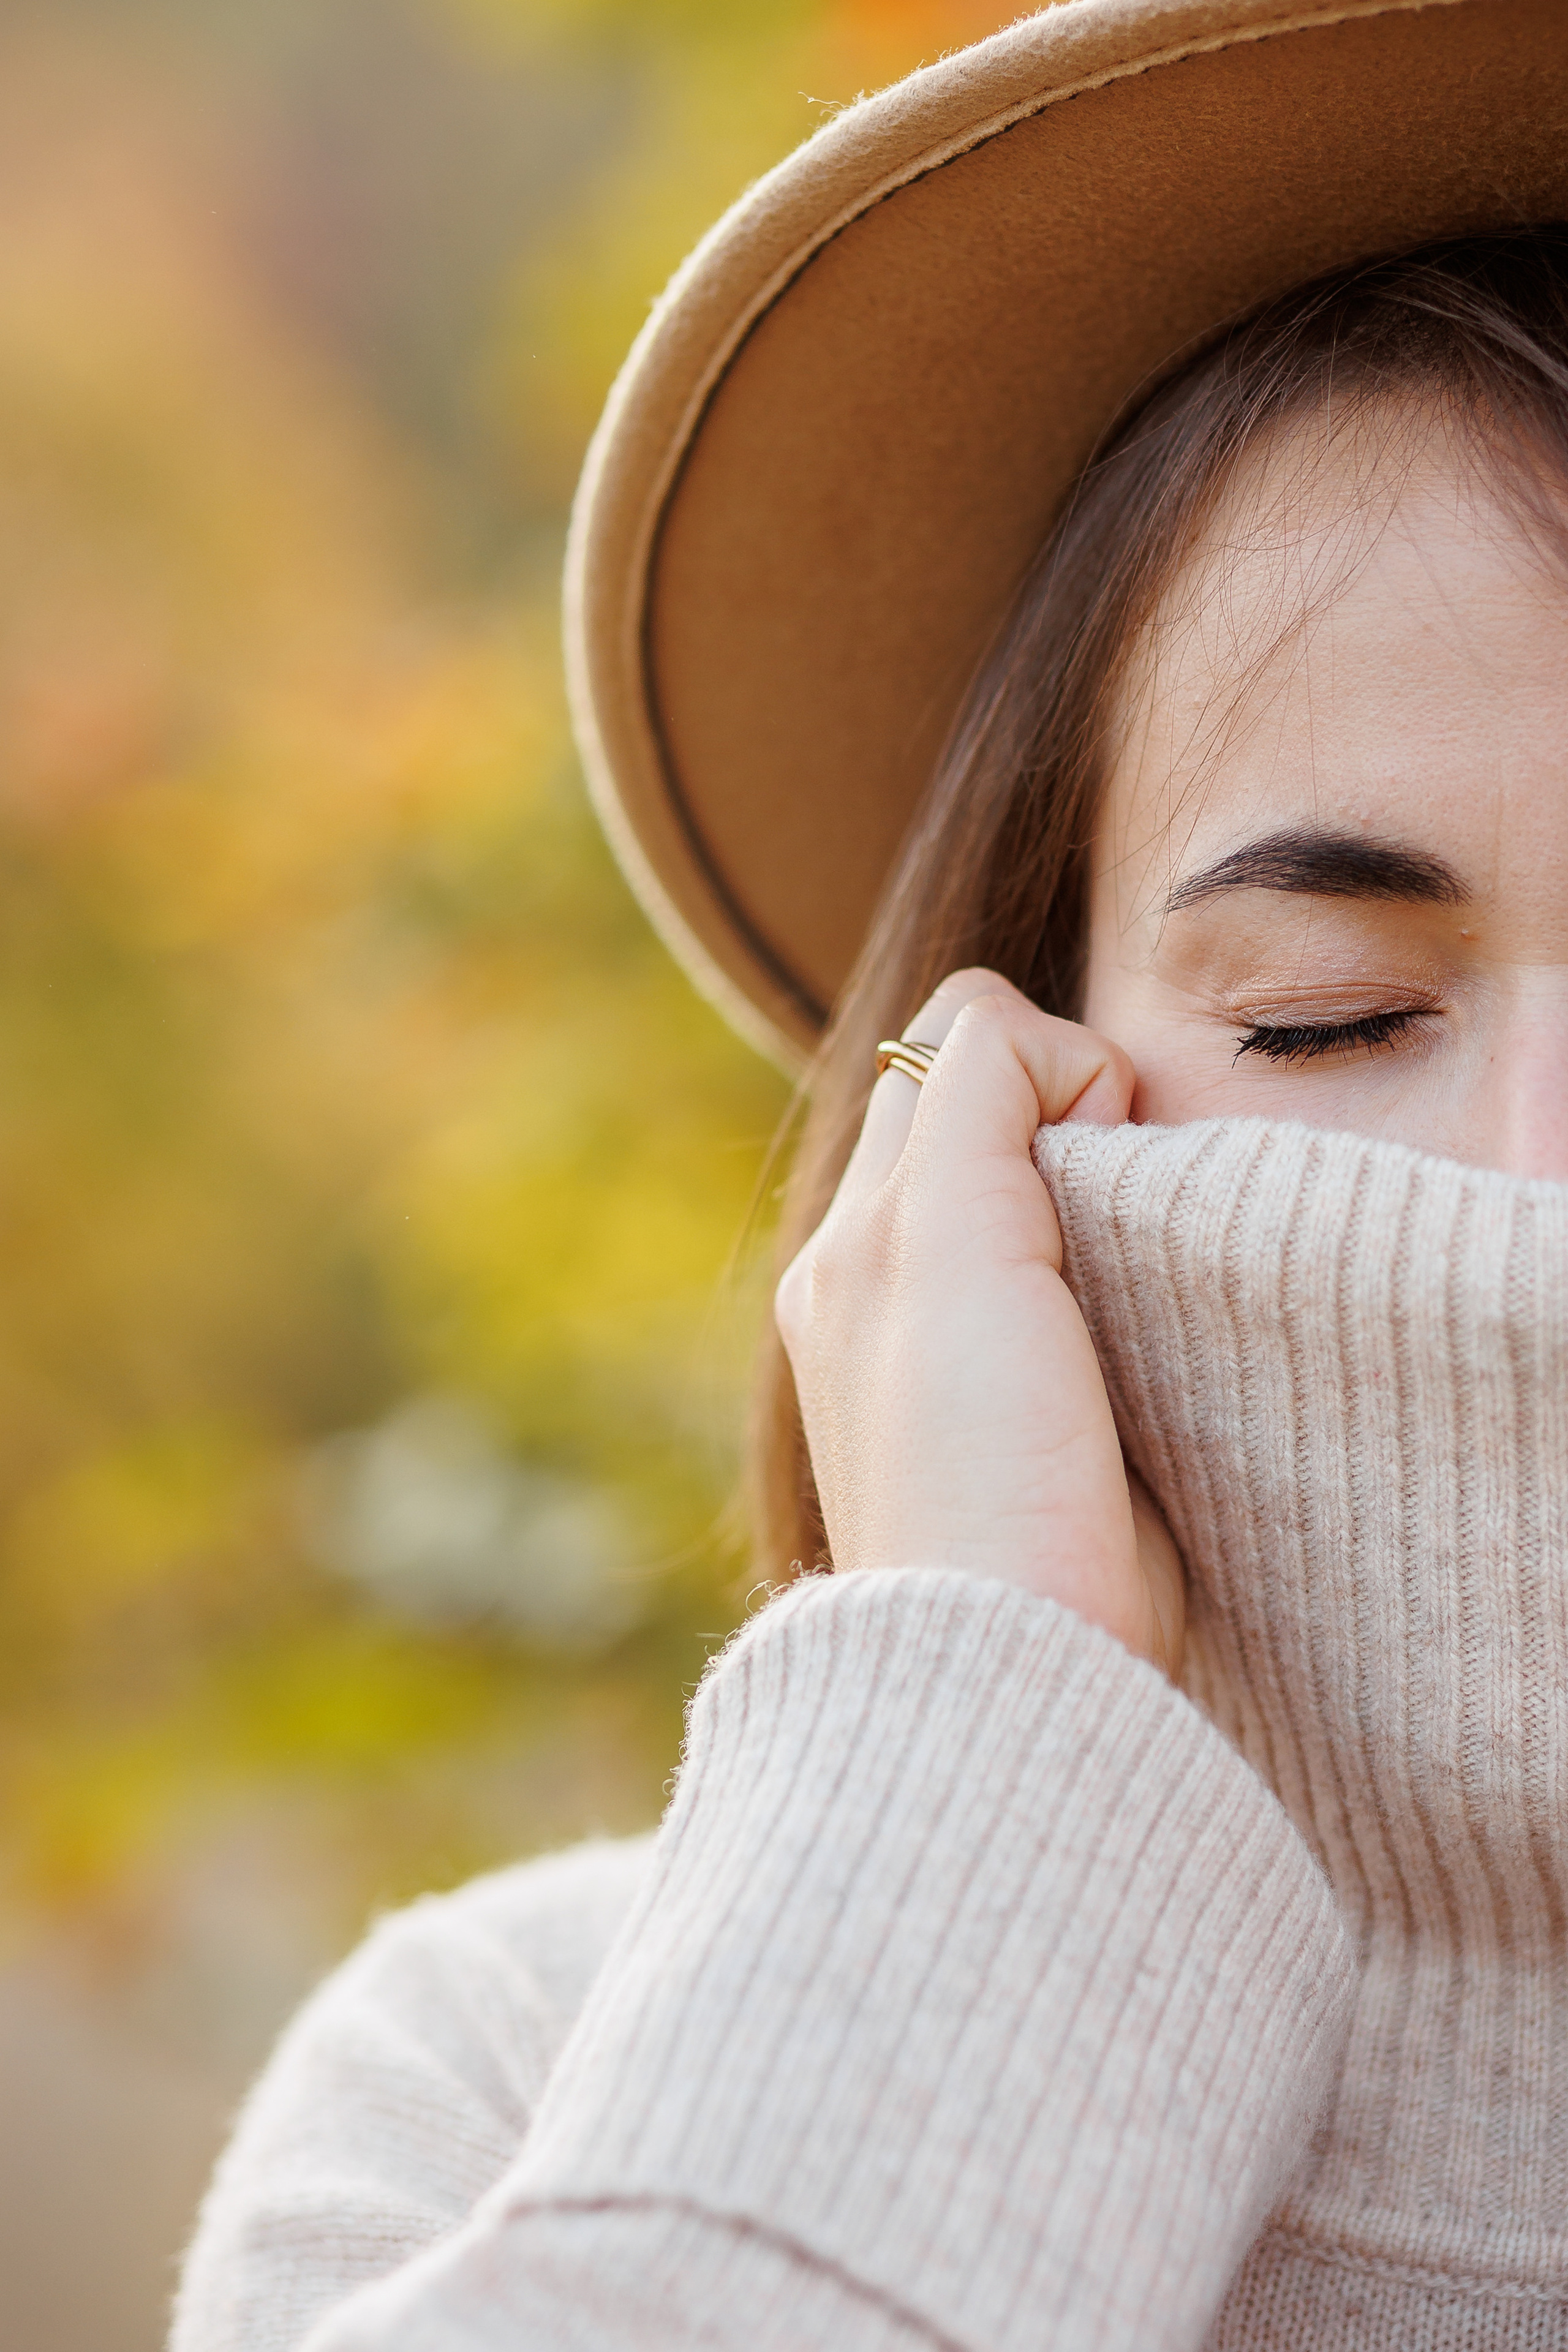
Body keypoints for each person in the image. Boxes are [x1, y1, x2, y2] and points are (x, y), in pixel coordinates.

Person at [171, 5, 1568, 2347]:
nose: (1536, 1189)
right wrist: (995, 1724)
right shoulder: (506, 2090)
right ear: (995, 1091)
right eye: (1329, 1013)